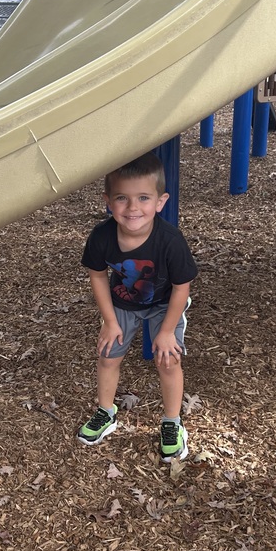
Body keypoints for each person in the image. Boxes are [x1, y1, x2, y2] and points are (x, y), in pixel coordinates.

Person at [77, 153, 198, 462]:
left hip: (163, 305)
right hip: (122, 304)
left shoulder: (171, 241)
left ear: (160, 201)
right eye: (122, 198)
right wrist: (109, 321)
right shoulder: (102, 237)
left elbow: (182, 287)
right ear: (108, 200)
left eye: (143, 198)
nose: (133, 208)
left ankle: (172, 422)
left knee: (168, 361)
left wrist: (168, 330)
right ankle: (106, 412)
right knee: (107, 356)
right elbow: (97, 275)